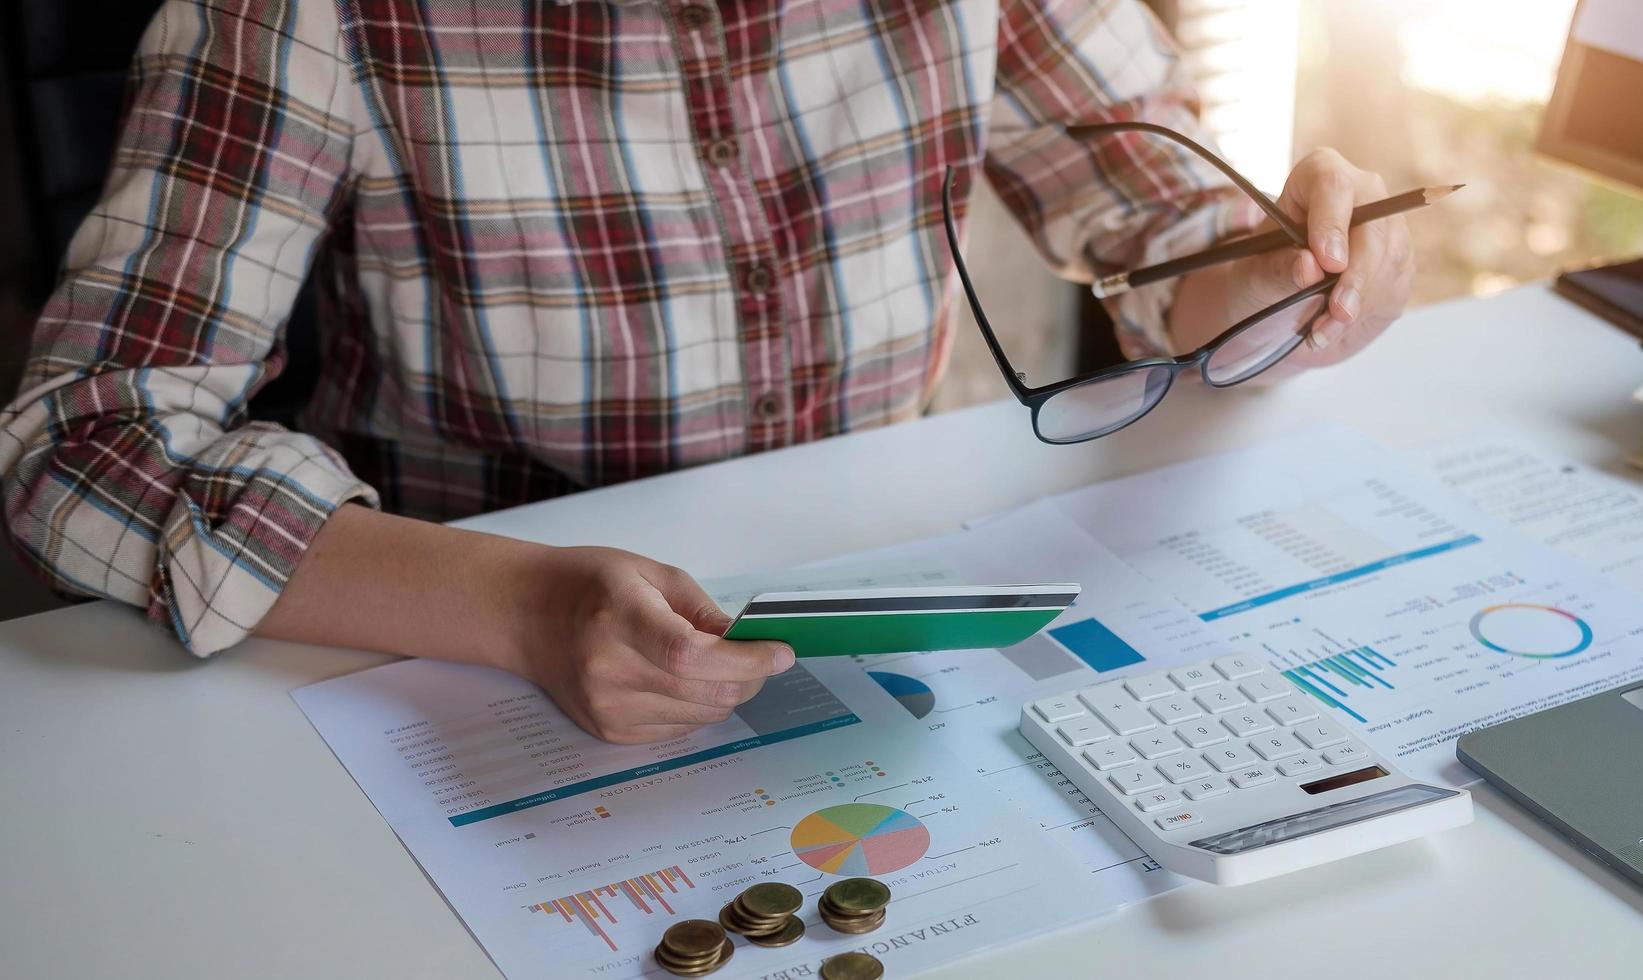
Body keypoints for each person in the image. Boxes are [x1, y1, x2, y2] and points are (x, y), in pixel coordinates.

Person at [0, 0, 1413, 744]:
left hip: (882, 615)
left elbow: (1163, 218)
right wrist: (521, 603)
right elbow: (83, 437)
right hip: (459, 656)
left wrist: (1284, 273)